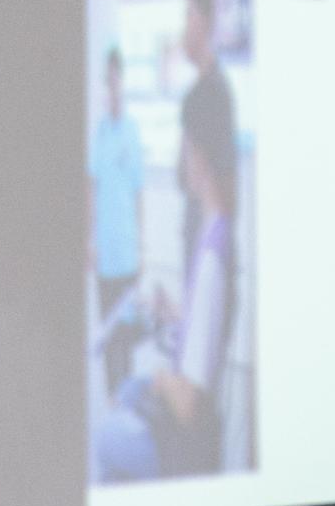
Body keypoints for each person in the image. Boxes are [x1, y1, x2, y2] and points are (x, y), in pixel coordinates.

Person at [92, 69, 242, 482]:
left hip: (183, 440)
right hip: (186, 419)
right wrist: (177, 314)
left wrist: (161, 380)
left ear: (197, 151)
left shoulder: (211, 260)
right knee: (126, 392)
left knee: (106, 437)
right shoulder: (217, 235)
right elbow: (204, 336)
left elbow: (190, 403)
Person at [88, 45, 144, 389]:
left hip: (127, 250)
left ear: (123, 81)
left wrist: (142, 246)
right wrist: (89, 240)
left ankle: (127, 394)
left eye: (116, 80)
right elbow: (91, 187)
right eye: (107, 82)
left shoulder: (132, 132)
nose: (112, 88)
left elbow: (138, 193)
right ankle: (113, 397)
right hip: (105, 252)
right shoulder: (100, 133)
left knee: (128, 333)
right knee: (109, 333)